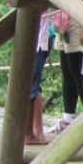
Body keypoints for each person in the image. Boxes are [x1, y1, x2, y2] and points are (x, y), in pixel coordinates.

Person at [26, 11, 55, 145]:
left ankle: (29, 134)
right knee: (33, 86)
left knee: (30, 87)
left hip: (38, 42)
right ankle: (37, 132)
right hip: (38, 39)